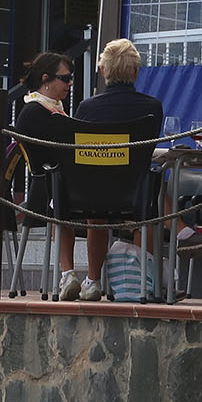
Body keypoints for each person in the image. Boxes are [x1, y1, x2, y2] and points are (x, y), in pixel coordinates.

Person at [70, 39, 164, 300]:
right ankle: (147, 281)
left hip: (92, 194)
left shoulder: (86, 108)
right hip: (135, 193)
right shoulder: (152, 108)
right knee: (151, 202)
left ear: (103, 71)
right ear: (136, 72)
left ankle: (93, 280)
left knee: (96, 215)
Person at [12, 51, 90, 299]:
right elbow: (60, 153)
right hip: (49, 188)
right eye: (65, 78)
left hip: (65, 182)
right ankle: (75, 275)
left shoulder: (53, 109)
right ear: (46, 78)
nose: (70, 83)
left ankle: (87, 278)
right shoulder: (35, 112)